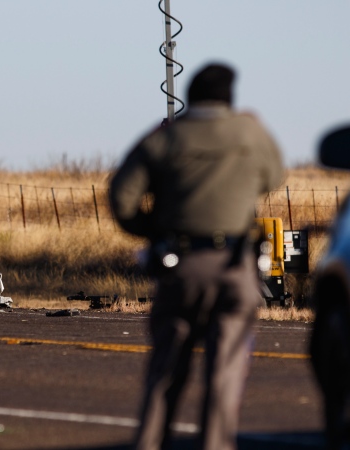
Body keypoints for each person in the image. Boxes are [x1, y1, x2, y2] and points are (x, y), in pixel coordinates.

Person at [109, 63, 284, 450]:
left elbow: (121, 199)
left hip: (181, 265)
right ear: (229, 97)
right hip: (236, 266)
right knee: (224, 377)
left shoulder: (166, 137)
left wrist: (154, 230)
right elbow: (274, 176)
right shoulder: (250, 132)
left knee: (166, 372)